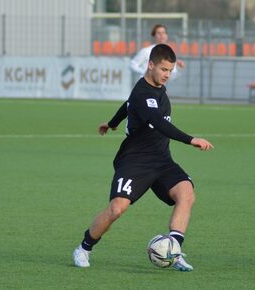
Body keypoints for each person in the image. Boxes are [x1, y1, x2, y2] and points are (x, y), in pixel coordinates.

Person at [73, 44, 214, 271]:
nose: (167, 75)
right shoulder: (143, 92)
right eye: (164, 69)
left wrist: (111, 123)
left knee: (186, 193)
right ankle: (84, 248)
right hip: (135, 161)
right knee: (116, 209)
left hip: (161, 160)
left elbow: (127, 105)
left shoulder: (157, 88)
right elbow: (157, 122)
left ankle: (173, 251)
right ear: (150, 65)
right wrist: (191, 139)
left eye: (170, 70)